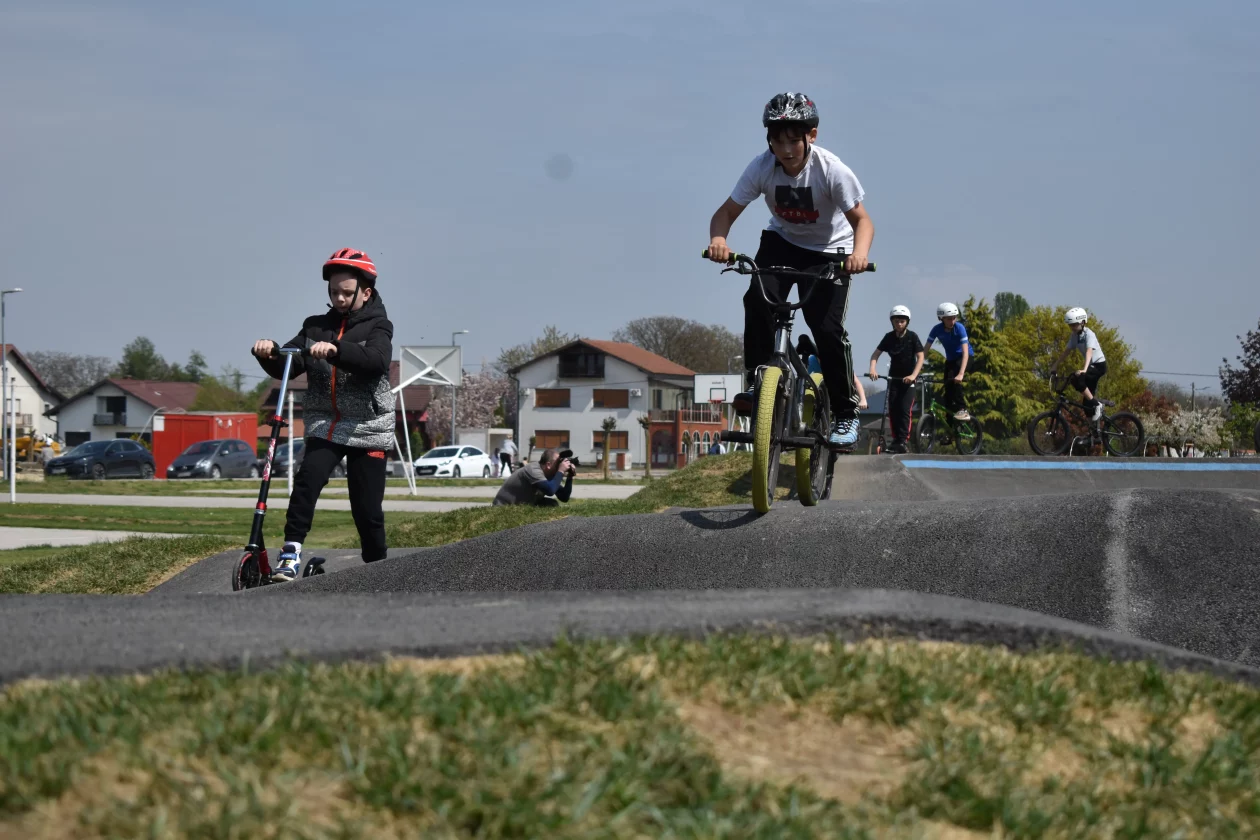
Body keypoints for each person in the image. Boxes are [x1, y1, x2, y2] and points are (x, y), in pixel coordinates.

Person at [706, 92, 875, 448]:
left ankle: (846, 413)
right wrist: (718, 240)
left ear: (810, 136)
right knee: (757, 298)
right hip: (782, 242)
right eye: (777, 140)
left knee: (826, 329)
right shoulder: (761, 167)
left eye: (792, 140)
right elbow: (724, 213)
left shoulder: (831, 170)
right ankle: (757, 382)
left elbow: (863, 222)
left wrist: (859, 255)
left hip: (831, 250)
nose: (785, 149)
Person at [251, 247, 395, 582]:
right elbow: (289, 361)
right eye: (334, 292)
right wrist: (267, 351)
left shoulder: (379, 326)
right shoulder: (315, 327)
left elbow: (376, 361)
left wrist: (337, 351)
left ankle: (380, 569)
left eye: (347, 292)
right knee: (306, 482)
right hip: (326, 424)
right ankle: (290, 554)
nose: (339, 298)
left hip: (367, 427)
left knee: (367, 510)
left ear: (366, 291)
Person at [868, 305, 925, 453]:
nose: (899, 324)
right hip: (894, 379)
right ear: (892, 322)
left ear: (907, 322)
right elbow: (875, 355)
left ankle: (903, 441)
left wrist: (913, 375)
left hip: (909, 380)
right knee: (893, 409)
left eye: (902, 321)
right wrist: (873, 369)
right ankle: (896, 440)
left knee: (905, 409)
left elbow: (921, 357)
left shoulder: (912, 337)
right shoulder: (889, 337)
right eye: (896, 321)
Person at [1050, 307, 1108, 422]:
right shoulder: (1074, 336)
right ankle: (1094, 433)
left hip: (1098, 365)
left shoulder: (1089, 334)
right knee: (1087, 406)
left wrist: (1084, 370)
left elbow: (1089, 351)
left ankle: (1098, 405)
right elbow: (1066, 351)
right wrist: (1055, 365)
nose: (1072, 327)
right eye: (1070, 325)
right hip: (1090, 367)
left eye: (1074, 324)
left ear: (1082, 322)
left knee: (1078, 379)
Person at [924, 302, 971, 421]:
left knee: (955, 381)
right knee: (948, 395)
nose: (952, 321)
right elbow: (925, 351)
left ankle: (963, 409)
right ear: (941, 318)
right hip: (951, 360)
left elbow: (965, 352)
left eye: (954, 318)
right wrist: (915, 371)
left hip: (965, 357)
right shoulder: (936, 330)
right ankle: (950, 431)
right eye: (949, 319)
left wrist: (961, 374)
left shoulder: (959, 328)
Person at [493, 448, 576, 506]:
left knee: (552, 504)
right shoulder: (534, 470)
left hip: (523, 504)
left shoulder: (549, 474)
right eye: (558, 463)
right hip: (504, 506)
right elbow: (550, 491)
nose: (560, 465)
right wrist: (560, 471)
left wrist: (570, 477)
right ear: (548, 465)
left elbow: (564, 497)